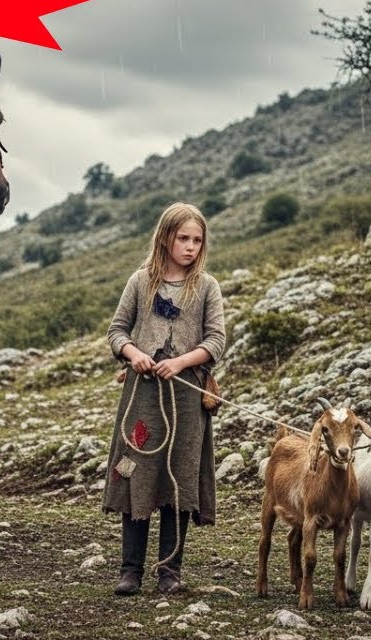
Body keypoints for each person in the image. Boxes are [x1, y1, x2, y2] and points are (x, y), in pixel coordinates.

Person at [101, 202, 226, 596]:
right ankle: (130, 569)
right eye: (183, 238)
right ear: (165, 237)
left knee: (178, 476)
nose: (190, 247)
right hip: (142, 395)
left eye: (197, 240)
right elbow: (117, 331)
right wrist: (135, 354)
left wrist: (182, 362)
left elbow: (216, 341)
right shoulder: (140, 281)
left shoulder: (207, 286)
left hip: (187, 398)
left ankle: (169, 571)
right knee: (135, 470)